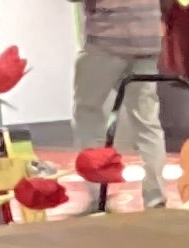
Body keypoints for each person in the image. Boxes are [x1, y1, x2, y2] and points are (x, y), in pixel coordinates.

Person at [71, 0, 166, 202]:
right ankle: (156, 195)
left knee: (88, 113)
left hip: (106, 41)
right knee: (147, 122)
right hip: (147, 40)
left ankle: (98, 193)